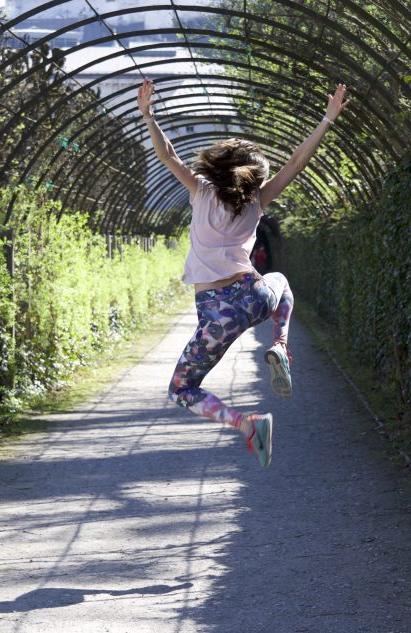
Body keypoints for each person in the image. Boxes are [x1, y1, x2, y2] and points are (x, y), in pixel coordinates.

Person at [138, 77, 348, 467]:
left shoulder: (200, 190)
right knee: (281, 281)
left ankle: (246, 424)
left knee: (183, 389)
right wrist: (327, 119)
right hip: (252, 297)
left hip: (217, 316)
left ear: (220, 167)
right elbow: (297, 164)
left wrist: (148, 115)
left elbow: (167, 155)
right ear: (253, 175)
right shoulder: (257, 201)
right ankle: (281, 345)